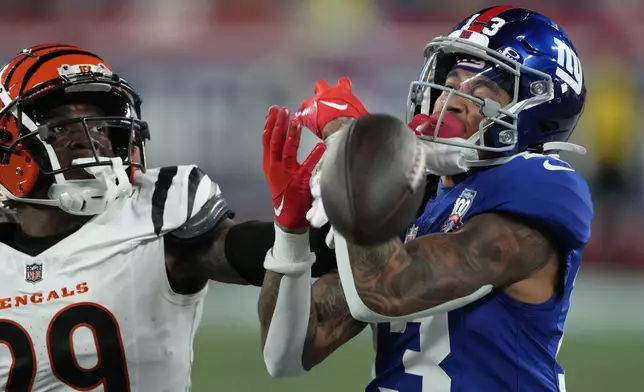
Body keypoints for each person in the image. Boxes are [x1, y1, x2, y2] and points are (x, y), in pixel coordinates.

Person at [258, 6, 593, 392]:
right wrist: (290, 231)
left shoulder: (540, 185)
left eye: (481, 92)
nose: (449, 100)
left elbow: (389, 288)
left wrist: (349, 144)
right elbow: (288, 352)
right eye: (451, 80)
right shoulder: (424, 194)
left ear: (539, 112)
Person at [0, 44, 335, 391]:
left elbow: (251, 250)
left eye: (99, 127)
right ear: (8, 143)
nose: (91, 140)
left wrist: (311, 226)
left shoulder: (156, 215)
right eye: (60, 128)